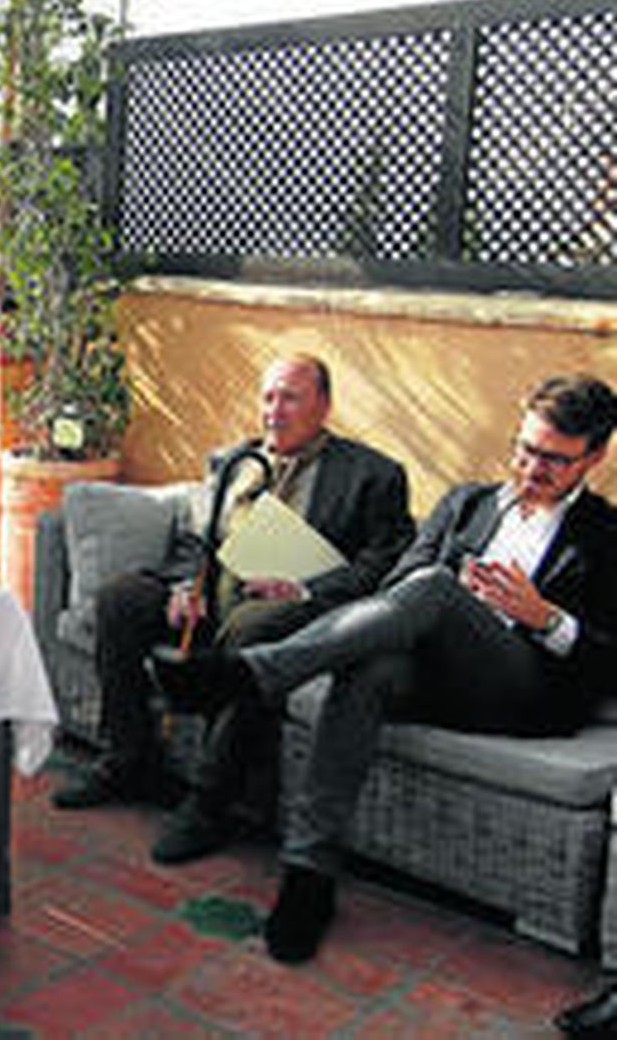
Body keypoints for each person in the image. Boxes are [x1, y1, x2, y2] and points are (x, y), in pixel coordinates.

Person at [153, 374, 617, 965]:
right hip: (430, 674)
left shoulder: (606, 536)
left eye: (554, 459)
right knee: (371, 663)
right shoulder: (466, 503)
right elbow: (394, 590)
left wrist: (546, 617)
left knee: (437, 585)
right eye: (524, 449)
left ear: (595, 456)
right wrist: (439, 609)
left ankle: (249, 673)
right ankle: (308, 877)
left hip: (523, 693)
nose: (531, 469)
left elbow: (609, 662)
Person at [51, 355, 414, 867]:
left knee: (252, 628)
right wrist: (185, 586)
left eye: (290, 397)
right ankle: (127, 760)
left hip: (296, 610)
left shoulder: (372, 475)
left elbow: (385, 562)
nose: (274, 411)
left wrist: (305, 591)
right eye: (268, 397)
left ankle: (210, 803)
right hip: (214, 599)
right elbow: (202, 542)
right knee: (122, 600)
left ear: (325, 406)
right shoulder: (236, 461)